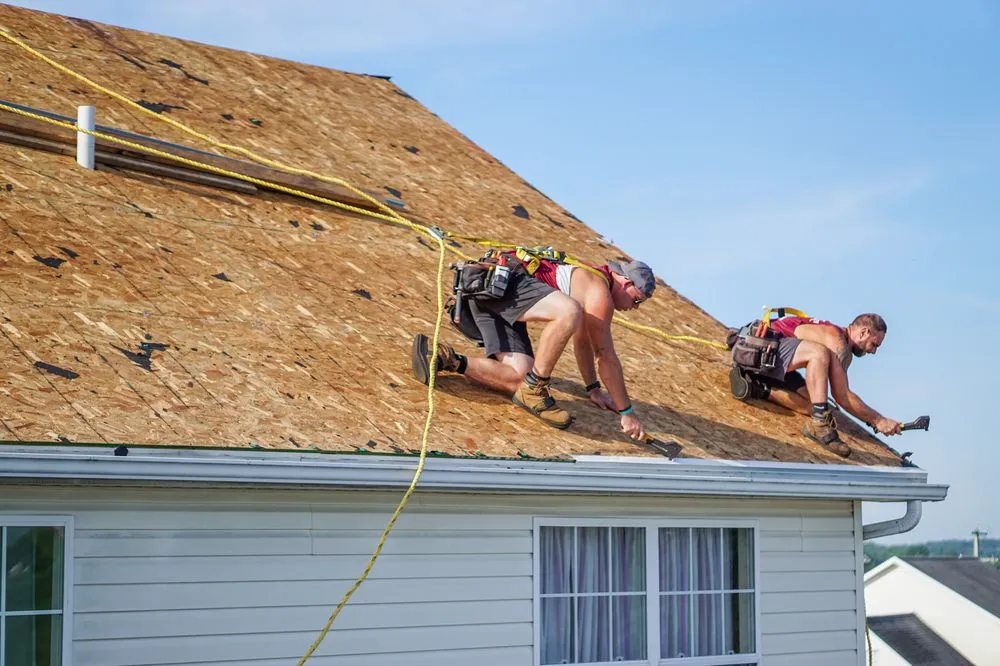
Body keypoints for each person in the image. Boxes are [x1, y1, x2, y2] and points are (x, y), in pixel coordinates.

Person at [411, 255, 655, 439]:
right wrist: (627, 413)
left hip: (492, 295)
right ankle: (537, 387)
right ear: (624, 281)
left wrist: (593, 389)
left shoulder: (591, 286)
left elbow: (583, 343)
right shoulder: (599, 291)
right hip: (503, 282)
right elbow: (604, 355)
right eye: (637, 299)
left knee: (519, 379)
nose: (634, 307)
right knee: (569, 310)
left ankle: (442, 358)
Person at [729, 313, 902, 457]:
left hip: (771, 361)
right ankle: (819, 423)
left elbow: (841, 394)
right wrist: (879, 420)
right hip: (754, 347)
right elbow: (842, 395)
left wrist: (877, 420)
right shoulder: (835, 339)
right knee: (818, 353)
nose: (873, 351)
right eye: (874, 344)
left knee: (814, 404)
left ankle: (756, 387)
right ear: (864, 332)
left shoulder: (841, 346)